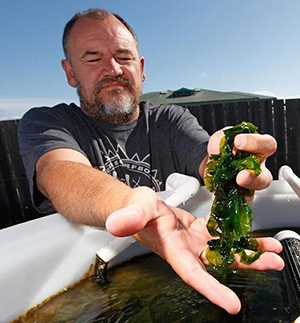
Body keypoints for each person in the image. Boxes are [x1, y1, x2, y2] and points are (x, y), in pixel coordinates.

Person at [18, 8, 283, 315]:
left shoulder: (169, 120)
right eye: (93, 59)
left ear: (141, 67)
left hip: (186, 270)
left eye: (124, 56)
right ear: (70, 72)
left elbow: (207, 159)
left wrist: (233, 162)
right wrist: (128, 202)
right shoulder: (48, 123)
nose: (113, 68)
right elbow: (59, 171)